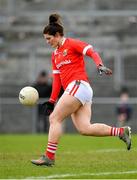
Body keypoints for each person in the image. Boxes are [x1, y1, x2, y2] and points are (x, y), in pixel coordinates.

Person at [31, 13, 131, 166]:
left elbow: (91, 51)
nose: (47, 42)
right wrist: (51, 101)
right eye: (45, 39)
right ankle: (120, 131)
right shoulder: (55, 55)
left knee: (54, 119)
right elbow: (57, 79)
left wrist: (99, 65)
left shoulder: (71, 44)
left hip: (78, 85)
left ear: (57, 35)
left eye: (49, 38)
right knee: (85, 128)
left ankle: (49, 157)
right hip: (78, 90)